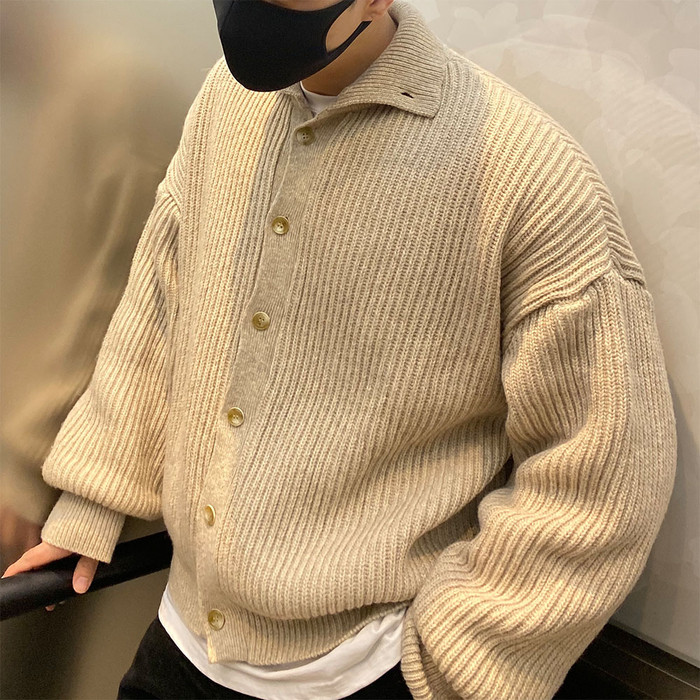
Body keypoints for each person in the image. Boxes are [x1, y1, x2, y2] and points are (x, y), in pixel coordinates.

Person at [2, 0, 678, 698]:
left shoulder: (528, 174)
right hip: (181, 643)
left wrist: (465, 661)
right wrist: (93, 502)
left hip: (363, 669)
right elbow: (162, 307)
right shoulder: (225, 100)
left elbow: (604, 466)